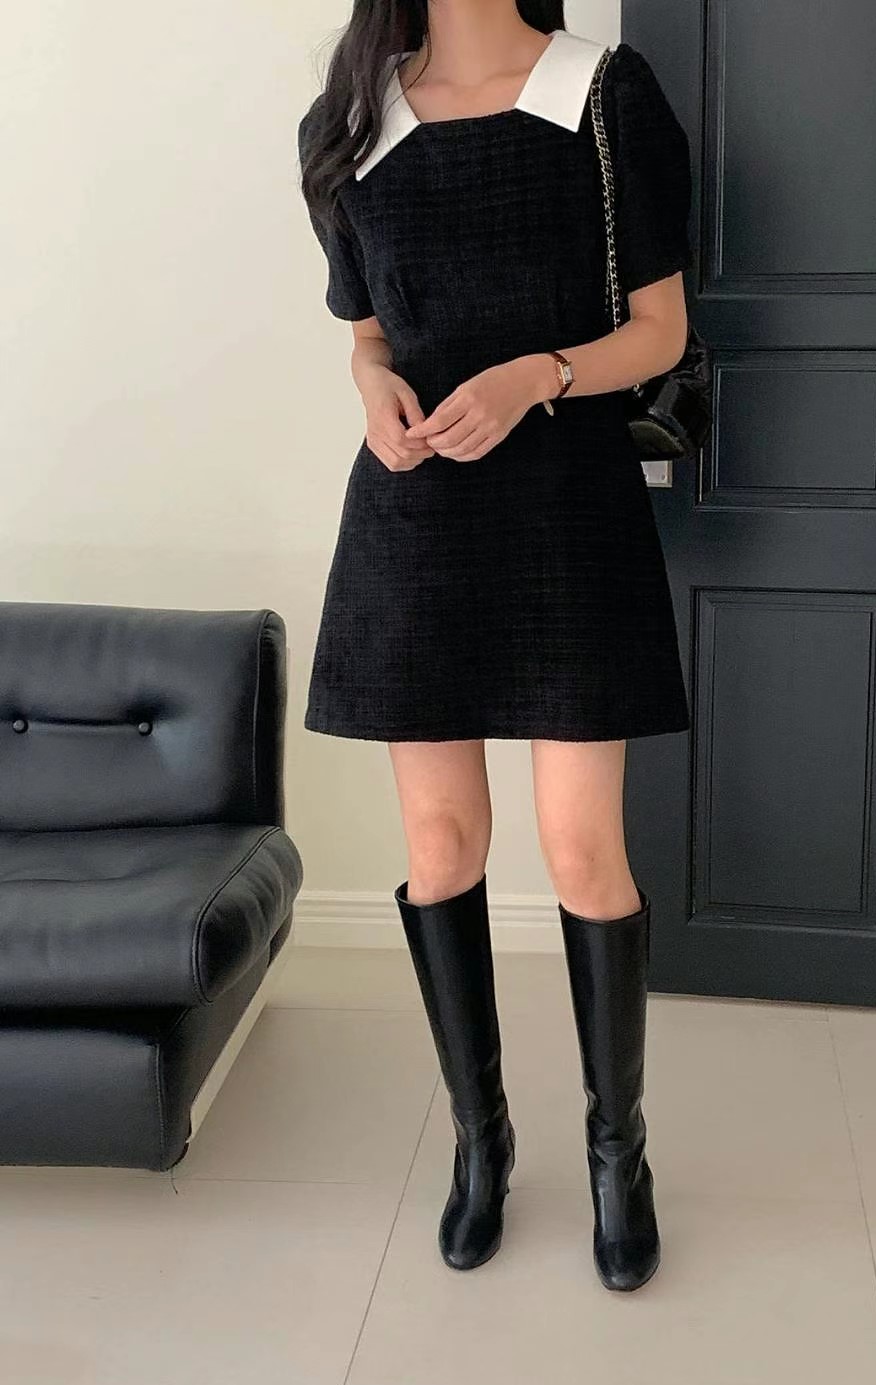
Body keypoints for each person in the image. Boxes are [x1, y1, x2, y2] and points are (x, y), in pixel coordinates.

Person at [297, 0, 693, 1293]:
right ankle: (482, 1142)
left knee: (583, 851)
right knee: (440, 846)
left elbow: (661, 330)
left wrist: (537, 375)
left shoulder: (602, 94)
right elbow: (368, 331)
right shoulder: (351, 120)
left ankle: (617, 1155)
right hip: (417, 509)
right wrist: (372, 387)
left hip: (568, 504)